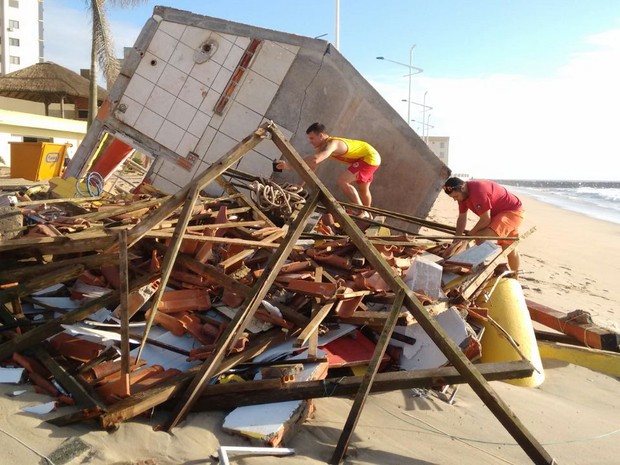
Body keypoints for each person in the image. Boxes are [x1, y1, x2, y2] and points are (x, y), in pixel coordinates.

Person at [277, 122, 381, 218]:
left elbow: (315, 159)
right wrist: (300, 186)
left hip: (369, 157)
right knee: (363, 189)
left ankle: (363, 212)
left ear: (321, 136)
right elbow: (312, 167)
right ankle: (369, 215)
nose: (310, 142)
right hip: (368, 157)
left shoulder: (332, 143)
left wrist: (290, 165)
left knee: (343, 181)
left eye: (312, 138)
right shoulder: (322, 146)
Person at [442, 177, 524, 274]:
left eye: (456, 196)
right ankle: (516, 277)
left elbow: (485, 220)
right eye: (453, 198)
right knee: (510, 249)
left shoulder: (478, 191)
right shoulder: (463, 196)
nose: (455, 200)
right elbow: (461, 218)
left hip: (511, 212)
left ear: (462, 188)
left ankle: (480, 269)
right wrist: (456, 239)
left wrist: (467, 238)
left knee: (479, 236)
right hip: (497, 214)